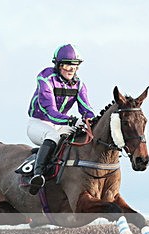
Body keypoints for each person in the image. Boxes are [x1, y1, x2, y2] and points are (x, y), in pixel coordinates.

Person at [21, 43, 96, 195]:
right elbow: (50, 112)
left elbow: (86, 109)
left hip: (61, 124)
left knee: (78, 137)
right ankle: (38, 174)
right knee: (53, 136)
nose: (71, 69)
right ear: (58, 65)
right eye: (67, 65)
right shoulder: (45, 78)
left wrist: (92, 121)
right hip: (39, 123)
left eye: (74, 66)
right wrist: (70, 121)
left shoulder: (79, 84)